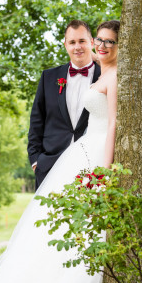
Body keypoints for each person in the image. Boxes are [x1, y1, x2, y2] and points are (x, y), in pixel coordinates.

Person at [0, 20, 142, 283]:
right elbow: (36, 121)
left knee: (92, 220)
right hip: (63, 158)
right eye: (99, 41)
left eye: (108, 42)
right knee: (58, 224)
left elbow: (114, 121)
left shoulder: (113, 74)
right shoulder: (58, 76)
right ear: (69, 44)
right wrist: (35, 160)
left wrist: (103, 170)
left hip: (98, 153)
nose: (100, 46)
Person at [27, 20, 101, 190]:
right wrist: (36, 161)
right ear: (65, 45)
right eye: (72, 42)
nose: (77, 47)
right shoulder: (48, 77)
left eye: (82, 41)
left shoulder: (105, 76)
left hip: (93, 166)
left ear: (91, 42)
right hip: (50, 166)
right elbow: (36, 121)